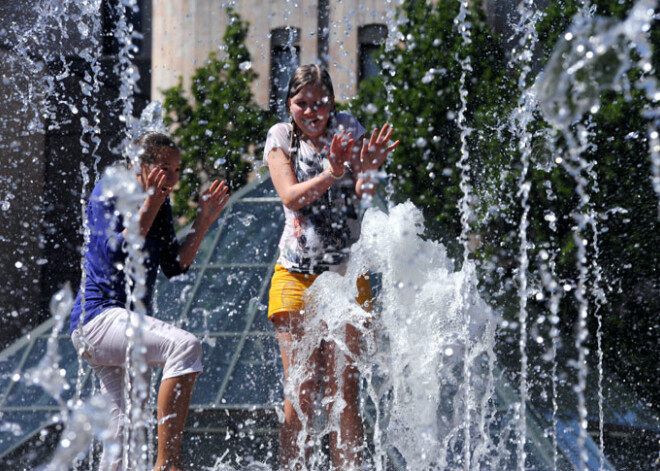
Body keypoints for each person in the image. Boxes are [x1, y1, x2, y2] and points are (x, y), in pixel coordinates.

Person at [264, 64, 399, 470]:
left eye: (319, 103)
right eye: (302, 103)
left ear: (331, 103)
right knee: (300, 392)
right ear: (290, 104)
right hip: (294, 276)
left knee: (343, 393)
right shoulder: (281, 137)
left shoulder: (347, 127)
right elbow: (290, 196)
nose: (311, 111)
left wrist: (370, 170)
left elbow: (362, 194)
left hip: (344, 277)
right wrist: (332, 172)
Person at [69, 132, 229, 471]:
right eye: (163, 168)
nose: (171, 178)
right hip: (97, 320)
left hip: (120, 327)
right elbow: (116, 252)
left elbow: (174, 264)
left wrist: (203, 221)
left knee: (123, 441)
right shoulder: (109, 192)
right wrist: (151, 204)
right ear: (139, 166)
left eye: (176, 170)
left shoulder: (162, 202)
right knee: (184, 347)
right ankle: (167, 465)